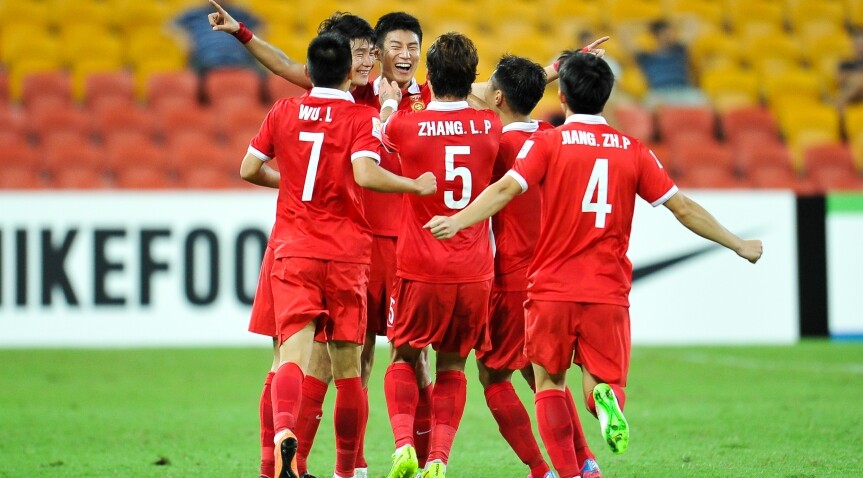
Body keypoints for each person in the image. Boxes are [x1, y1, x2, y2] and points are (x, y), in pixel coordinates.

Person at [424, 52, 763, 478]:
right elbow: (683, 208)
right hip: (608, 289)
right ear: (607, 96)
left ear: (561, 96)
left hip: (550, 287)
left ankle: (567, 472)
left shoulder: (548, 142)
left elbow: (504, 190)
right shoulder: (634, 151)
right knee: (602, 382)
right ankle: (605, 403)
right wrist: (737, 243)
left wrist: (456, 221)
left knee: (548, 384)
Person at [239, 32, 436, 478]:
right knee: (351, 372)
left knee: (291, 358)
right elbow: (367, 173)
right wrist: (412, 183)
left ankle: (281, 442)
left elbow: (248, 168)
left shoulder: (284, 110)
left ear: (308, 73)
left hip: (294, 250)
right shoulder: (361, 117)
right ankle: (348, 471)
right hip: (348, 253)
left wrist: (288, 181)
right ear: (351, 70)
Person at [381, 32, 502, 478]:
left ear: (428, 76)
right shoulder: (490, 125)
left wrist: (390, 103)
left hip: (420, 265)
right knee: (453, 365)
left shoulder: (404, 125)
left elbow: (383, 131)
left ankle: (403, 447)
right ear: (472, 79)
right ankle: (439, 458)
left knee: (404, 357)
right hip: (473, 271)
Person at [173, 0, 263, 75]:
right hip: (203, 61)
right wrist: (184, 40)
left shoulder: (239, 13)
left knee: (264, 76)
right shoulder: (194, 13)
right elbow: (172, 26)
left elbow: (261, 26)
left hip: (239, 60)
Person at [633, 19, 706, 108]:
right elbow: (625, 37)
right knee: (648, 105)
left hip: (683, 90)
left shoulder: (679, 51)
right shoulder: (647, 57)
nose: (669, 36)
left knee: (702, 103)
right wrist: (644, 25)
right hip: (659, 93)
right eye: (665, 34)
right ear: (656, 36)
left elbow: (692, 23)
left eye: (671, 33)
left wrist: (674, 21)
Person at [838, 28, 863, 111]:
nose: (860, 48)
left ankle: (838, 101)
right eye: (858, 45)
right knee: (857, 80)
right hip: (853, 94)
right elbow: (840, 80)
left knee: (858, 80)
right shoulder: (846, 63)